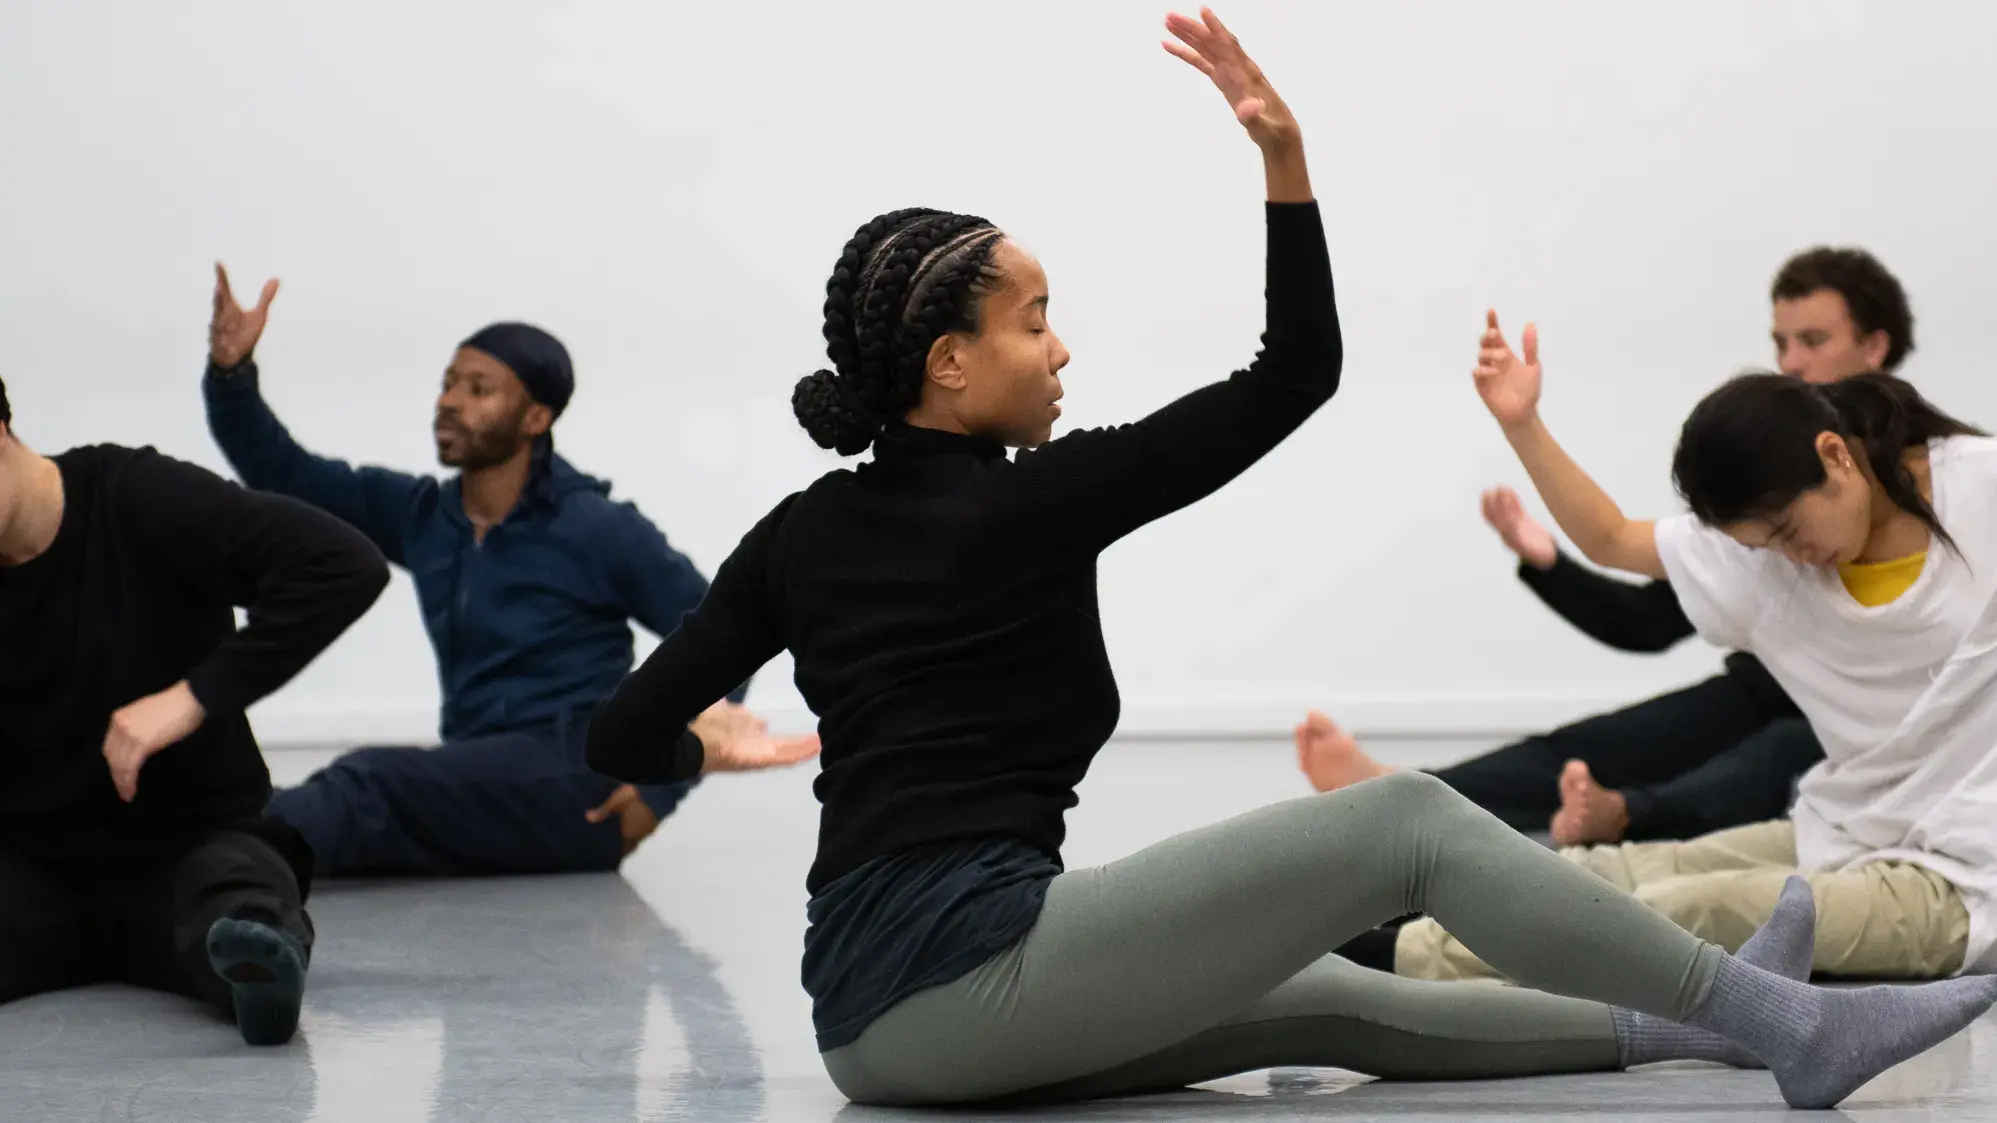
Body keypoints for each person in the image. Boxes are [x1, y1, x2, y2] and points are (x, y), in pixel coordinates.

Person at [581, 10, 1997, 1109]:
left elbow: (622, 732)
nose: (1058, 344)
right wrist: (1282, 158)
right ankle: (1795, 1025)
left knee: (1324, 992)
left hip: (872, 1022)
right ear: (950, 365)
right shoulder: (1034, 501)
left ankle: (1711, 1024)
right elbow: (1291, 374)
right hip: (960, 979)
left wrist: (719, 733)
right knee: (1399, 823)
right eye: (1032, 318)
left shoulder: (798, 532)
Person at [1392, 309, 1997, 986]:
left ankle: (1382, 964)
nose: (1789, 555)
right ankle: (1353, 920)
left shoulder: (1977, 490)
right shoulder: (1768, 559)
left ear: (1834, 454)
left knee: (1693, 908)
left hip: (1965, 887)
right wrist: (1521, 425)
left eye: (1790, 529)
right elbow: (1612, 538)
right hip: (1850, 832)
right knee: (1611, 871)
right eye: (1759, 543)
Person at [1298, 247, 1918, 847]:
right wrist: (1547, 558)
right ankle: (1407, 799)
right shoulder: (1761, 490)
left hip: (1875, 728)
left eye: (1812, 341)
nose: (1790, 363)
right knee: (1594, 747)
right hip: (1767, 691)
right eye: (1780, 344)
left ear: (1875, 344)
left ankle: (1617, 817)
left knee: (1776, 755)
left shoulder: (1937, 481)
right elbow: (1642, 607)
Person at [200, 275, 807, 878]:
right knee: (340, 830)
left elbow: (726, 637)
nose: (450, 401)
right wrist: (232, 375)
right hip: (482, 775)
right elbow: (286, 472)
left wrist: (662, 787)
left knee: (367, 784)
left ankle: (208, 857)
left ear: (535, 416)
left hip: (576, 779)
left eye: (478, 388)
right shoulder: (425, 516)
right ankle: (210, 863)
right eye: (447, 384)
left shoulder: (595, 527)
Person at [0, 372, 390, 1045]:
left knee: (234, 889)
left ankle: (259, 970)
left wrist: (193, 697)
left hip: (184, 846)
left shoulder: (135, 496)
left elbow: (341, 563)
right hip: (31, 871)